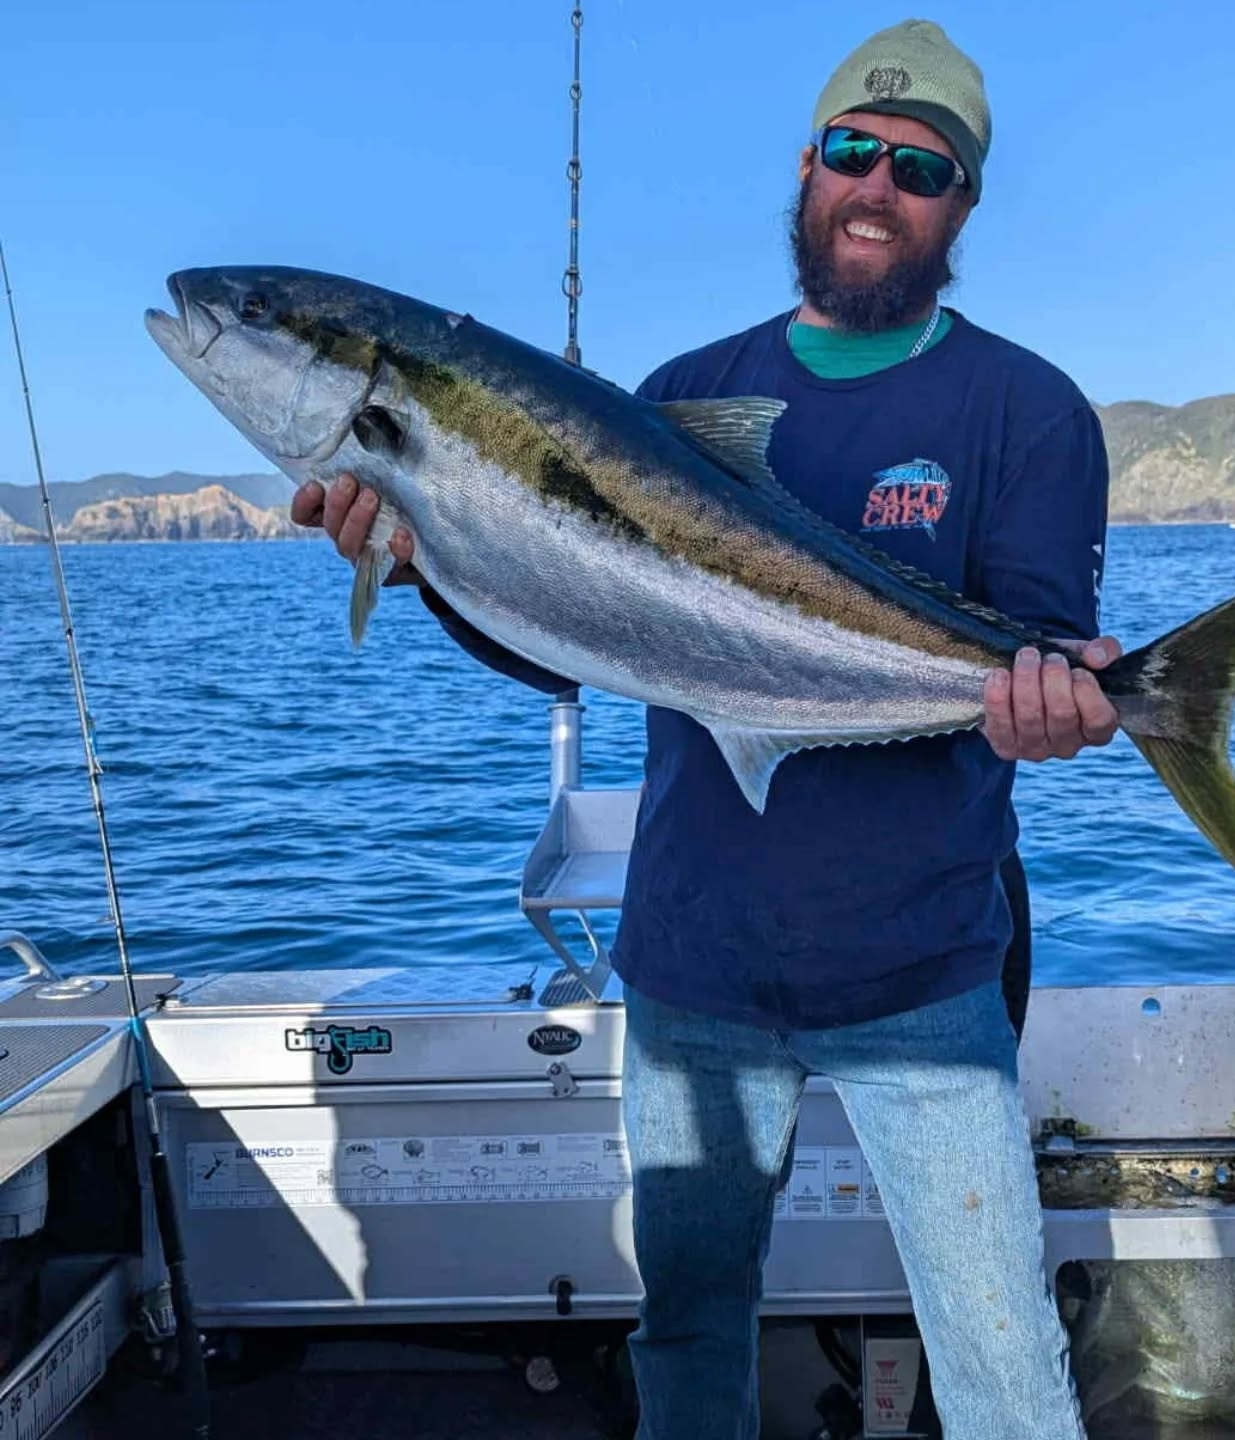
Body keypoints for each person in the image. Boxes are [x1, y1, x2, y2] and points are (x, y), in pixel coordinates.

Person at [294, 19, 1118, 1437]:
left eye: (919, 169)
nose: (878, 187)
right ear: (805, 167)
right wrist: (424, 563)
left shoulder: (1025, 409)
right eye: (853, 152)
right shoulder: (674, 400)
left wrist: (1063, 709)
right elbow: (566, 647)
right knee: (684, 1340)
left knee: (1006, 1376)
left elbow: (1030, 656)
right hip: (693, 967)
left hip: (923, 970)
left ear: (962, 205)